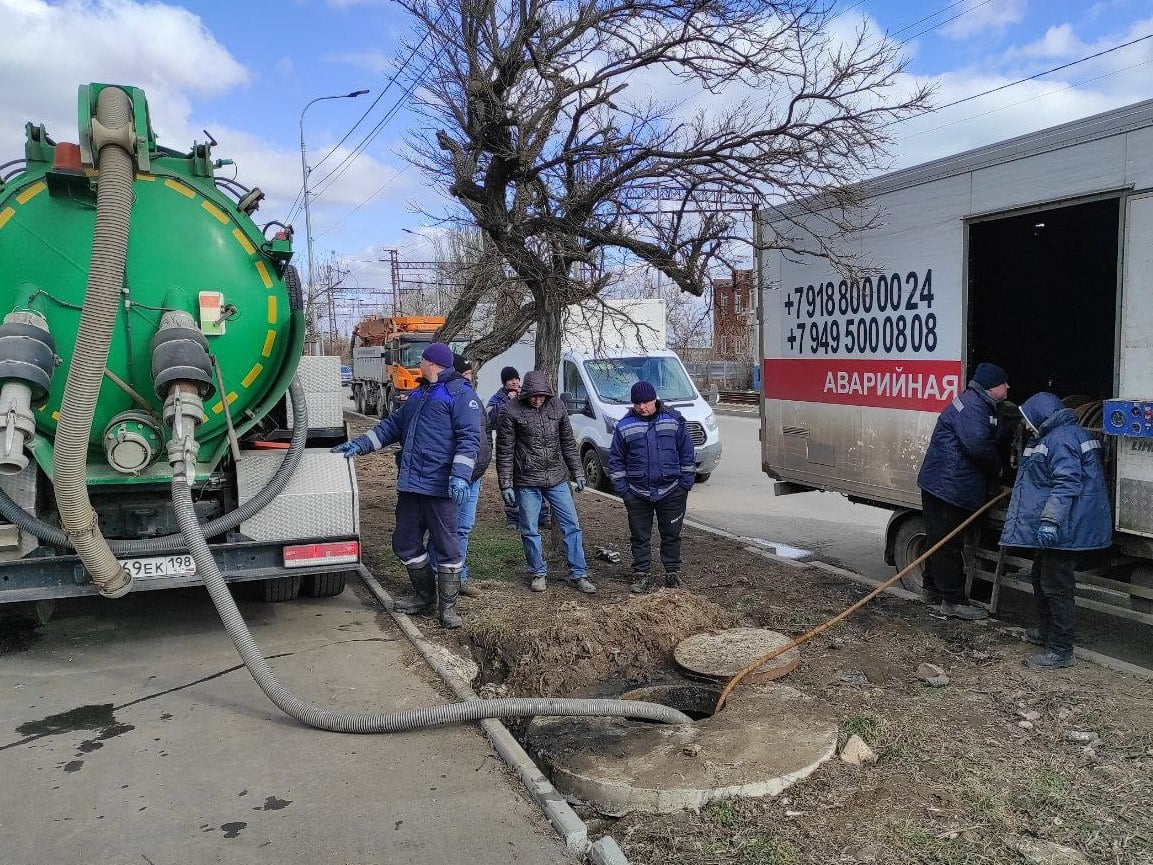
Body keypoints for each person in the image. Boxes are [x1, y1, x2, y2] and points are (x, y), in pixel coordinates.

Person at [331, 342, 481, 629]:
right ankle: (424, 596)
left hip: (441, 487)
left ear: (433, 363)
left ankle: (447, 609)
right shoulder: (418, 394)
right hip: (412, 484)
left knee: (448, 546)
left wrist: (460, 475)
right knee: (404, 542)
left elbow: (469, 439)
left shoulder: (460, 395)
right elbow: (392, 427)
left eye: (423, 360)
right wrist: (360, 445)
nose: (420, 364)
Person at [1000, 392, 1111, 670]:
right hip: (1067, 524)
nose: (1026, 426)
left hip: (1067, 528)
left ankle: (1061, 649)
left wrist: (1050, 520)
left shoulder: (1060, 439)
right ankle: (1047, 632)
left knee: (1056, 587)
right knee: (1040, 577)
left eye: (1028, 420)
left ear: (1041, 417)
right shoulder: (1065, 434)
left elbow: (1066, 483)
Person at [916, 362, 1010, 620]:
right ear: (992, 386)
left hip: (945, 483)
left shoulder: (977, 403)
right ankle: (953, 601)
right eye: (1004, 383)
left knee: (940, 540)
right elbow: (978, 446)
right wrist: (999, 470)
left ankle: (932, 590)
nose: (1008, 387)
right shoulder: (973, 407)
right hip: (947, 486)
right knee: (948, 544)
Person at [495, 370, 595, 594]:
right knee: (530, 528)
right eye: (533, 396)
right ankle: (538, 572)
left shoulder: (557, 406)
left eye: (541, 396)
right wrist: (506, 483)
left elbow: (568, 442)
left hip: (557, 477)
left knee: (572, 526)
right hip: (527, 479)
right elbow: (504, 450)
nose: (537, 400)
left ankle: (578, 573)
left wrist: (578, 472)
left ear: (547, 394)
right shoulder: (509, 411)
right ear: (525, 393)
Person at [608, 380, 695, 593]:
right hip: (637, 493)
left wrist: (685, 484)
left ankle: (672, 573)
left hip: (672, 490)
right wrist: (624, 491)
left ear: (654, 400)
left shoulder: (674, 420)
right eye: (637, 403)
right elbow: (616, 460)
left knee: (672, 534)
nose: (641, 407)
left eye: (646, 402)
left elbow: (687, 453)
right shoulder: (624, 425)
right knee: (639, 536)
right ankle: (641, 575)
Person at [427, 354, 491, 598]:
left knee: (463, 527)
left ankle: (459, 577)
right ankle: (436, 577)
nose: (469, 379)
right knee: (443, 528)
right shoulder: (445, 398)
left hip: (474, 475)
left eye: (470, 375)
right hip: (452, 475)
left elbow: (481, 434)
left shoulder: (471, 397)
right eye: (465, 375)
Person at [487, 365, 551, 530]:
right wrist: (507, 402)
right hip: (510, 448)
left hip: (530, 447)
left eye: (516, 379)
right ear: (504, 383)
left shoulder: (527, 394)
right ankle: (513, 518)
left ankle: (543, 516)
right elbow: (490, 418)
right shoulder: (498, 398)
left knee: (538, 482)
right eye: (511, 380)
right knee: (513, 484)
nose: (515, 382)